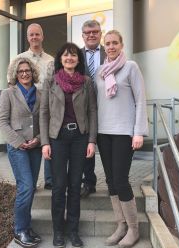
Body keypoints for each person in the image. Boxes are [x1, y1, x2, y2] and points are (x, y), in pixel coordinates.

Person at [40, 42, 97, 248]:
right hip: (57, 138)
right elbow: (44, 114)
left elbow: (92, 112)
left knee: (74, 186)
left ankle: (73, 231)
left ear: (78, 59)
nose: (70, 58)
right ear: (60, 59)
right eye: (66, 55)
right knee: (59, 186)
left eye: (73, 55)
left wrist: (91, 140)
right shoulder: (50, 82)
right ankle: (58, 231)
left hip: (80, 138)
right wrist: (45, 142)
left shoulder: (87, 82)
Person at [95, 30, 148, 248]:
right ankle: (121, 225)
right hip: (103, 133)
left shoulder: (131, 67)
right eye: (107, 43)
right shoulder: (99, 71)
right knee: (109, 181)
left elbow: (141, 100)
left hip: (124, 133)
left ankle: (134, 229)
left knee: (121, 180)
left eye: (115, 43)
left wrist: (138, 132)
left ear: (121, 44)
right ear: (103, 46)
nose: (111, 46)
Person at [0, 57, 42, 248]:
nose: (24, 73)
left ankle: (27, 225)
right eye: (20, 71)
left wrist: (38, 139)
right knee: (26, 186)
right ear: (15, 74)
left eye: (27, 70)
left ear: (33, 72)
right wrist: (18, 142)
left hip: (35, 147)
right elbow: (2, 121)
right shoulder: (8, 93)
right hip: (17, 147)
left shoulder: (40, 94)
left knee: (30, 188)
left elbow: (44, 121)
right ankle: (19, 229)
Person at [16, 23, 54, 190]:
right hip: (26, 107)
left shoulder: (51, 61)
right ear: (27, 37)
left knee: (46, 139)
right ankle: (29, 182)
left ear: (42, 36)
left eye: (37, 34)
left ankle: (50, 180)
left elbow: (54, 85)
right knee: (28, 142)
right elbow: (12, 82)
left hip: (46, 106)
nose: (34, 37)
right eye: (31, 35)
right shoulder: (19, 59)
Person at [80, 20, 106, 198]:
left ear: (100, 33)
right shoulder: (75, 55)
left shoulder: (110, 52)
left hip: (107, 107)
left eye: (95, 32)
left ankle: (113, 181)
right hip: (84, 109)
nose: (91, 35)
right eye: (88, 32)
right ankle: (89, 182)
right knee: (85, 148)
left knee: (106, 146)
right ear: (82, 35)